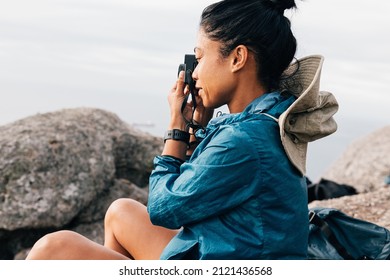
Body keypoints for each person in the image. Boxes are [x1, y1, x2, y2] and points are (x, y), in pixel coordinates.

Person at [26, 0, 338, 260]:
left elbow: (162, 209)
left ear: (238, 58)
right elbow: (210, 185)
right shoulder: (268, 116)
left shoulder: (243, 140)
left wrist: (176, 129)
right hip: (230, 250)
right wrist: (198, 132)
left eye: (200, 58)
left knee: (53, 249)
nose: (195, 72)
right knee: (121, 211)